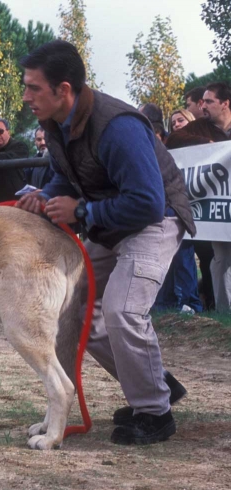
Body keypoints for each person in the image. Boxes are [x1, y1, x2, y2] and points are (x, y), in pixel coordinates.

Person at [16, 40, 195, 445]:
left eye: (33, 88)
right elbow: (67, 177)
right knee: (74, 311)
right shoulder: (55, 122)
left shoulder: (119, 126)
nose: (26, 97)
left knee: (122, 311)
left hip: (156, 219)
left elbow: (148, 202)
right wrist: (46, 195)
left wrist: (81, 213)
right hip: (112, 224)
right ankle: (155, 383)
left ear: (63, 89)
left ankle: (154, 413)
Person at [168, 82, 231, 312]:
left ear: (225, 104)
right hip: (222, 210)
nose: (203, 106)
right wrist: (210, 146)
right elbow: (173, 140)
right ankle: (225, 314)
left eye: (209, 101)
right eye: (202, 101)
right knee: (221, 259)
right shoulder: (201, 127)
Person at [151, 109, 203, 313]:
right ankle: (166, 303)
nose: (177, 124)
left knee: (184, 257)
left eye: (181, 120)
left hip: (181, 210)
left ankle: (192, 303)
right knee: (166, 259)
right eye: (173, 122)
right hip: (165, 210)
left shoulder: (188, 142)